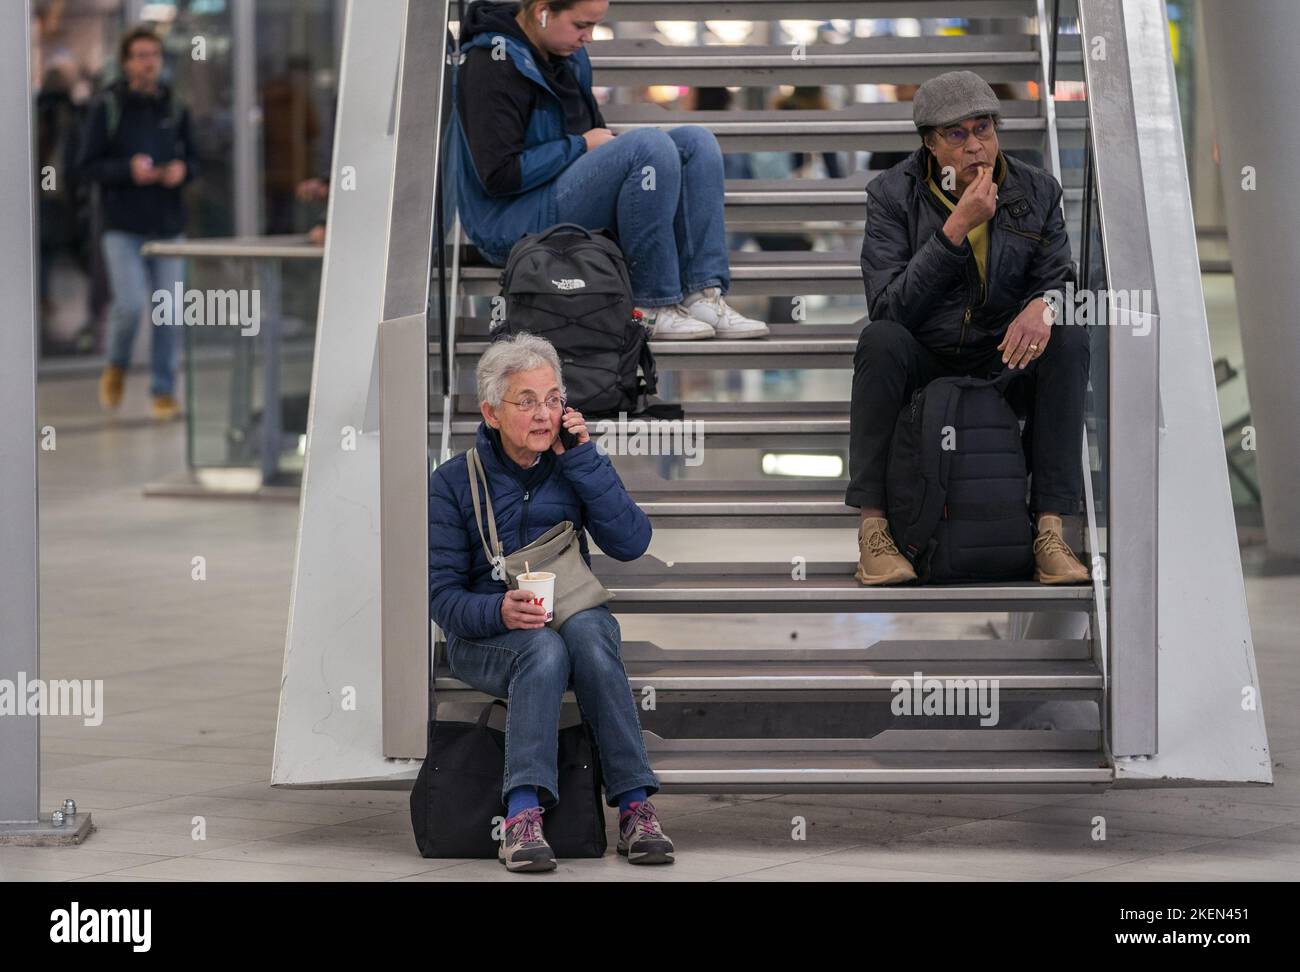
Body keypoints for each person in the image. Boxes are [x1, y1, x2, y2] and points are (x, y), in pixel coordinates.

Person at [428, 332, 674, 872]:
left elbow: (632, 543)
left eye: (554, 399)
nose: (545, 414)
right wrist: (498, 611)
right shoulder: (451, 483)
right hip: (484, 636)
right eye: (528, 401)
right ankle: (521, 816)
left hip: (568, 619)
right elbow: (442, 598)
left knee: (587, 632)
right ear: (492, 413)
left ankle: (635, 808)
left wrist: (586, 460)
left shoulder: (572, 463)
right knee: (542, 651)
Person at [848, 71, 1091, 586]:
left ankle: (1050, 530)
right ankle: (874, 532)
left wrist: (1043, 306)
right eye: (957, 135)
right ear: (931, 145)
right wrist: (955, 227)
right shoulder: (891, 195)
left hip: (1004, 356)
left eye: (984, 128)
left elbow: (1062, 280)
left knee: (1069, 335)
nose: (975, 146)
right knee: (879, 341)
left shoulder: (1036, 190)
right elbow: (889, 309)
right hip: (928, 360)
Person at [446, 0, 769, 341]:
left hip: (561, 197)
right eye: (581, 25)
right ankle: (651, 305)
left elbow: (597, 138)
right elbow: (499, 176)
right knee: (647, 145)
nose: (589, 38)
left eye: (594, 26)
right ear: (542, 11)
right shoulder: (490, 63)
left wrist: (594, 150)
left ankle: (702, 293)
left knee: (696, 142)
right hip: (510, 224)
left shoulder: (570, 58)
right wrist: (580, 146)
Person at [75, 25, 198, 420]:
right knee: (128, 307)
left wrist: (182, 170)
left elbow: (196, 158)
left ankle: (163, 389)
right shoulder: (107, 107)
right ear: (126, 63)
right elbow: (85, 167)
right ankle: (117, 365)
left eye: (155, 55)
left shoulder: (175, 105)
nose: (149, 63)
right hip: (122, 226)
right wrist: (127, 170)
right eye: (141, 55)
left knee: (169, 313)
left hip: (167, 224)